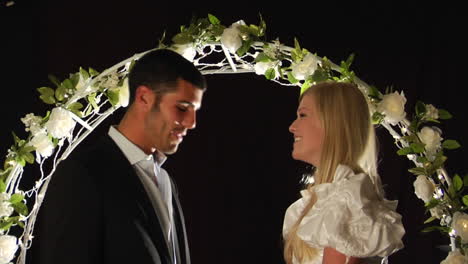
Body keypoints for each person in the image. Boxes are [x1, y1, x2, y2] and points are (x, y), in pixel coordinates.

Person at [31, 49, 206, 264]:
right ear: (144, 98)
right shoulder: (83, 174)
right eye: (182, 108)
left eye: (194, 111)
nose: (192, 122)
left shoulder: (166, 181)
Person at [282, 81, 405, 264]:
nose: (292, 127)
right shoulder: (318, 202)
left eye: (303, 115)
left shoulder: (349, 201)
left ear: (333, 122)